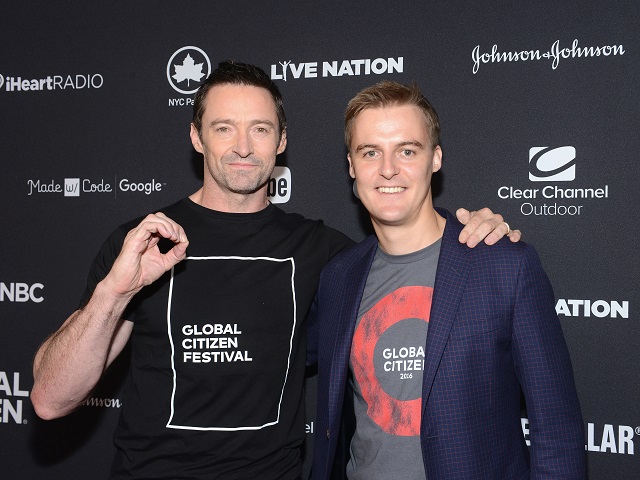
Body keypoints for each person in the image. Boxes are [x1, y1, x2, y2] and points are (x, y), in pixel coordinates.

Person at [30, 62, 518, 480]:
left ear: (281, 141)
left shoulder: (325, 251)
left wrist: (474, 234)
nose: (243, 145)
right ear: (196, 137)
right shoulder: (142, 242)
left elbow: (416, 262)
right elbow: (51, 400)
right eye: (224, 127)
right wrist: (113, 293)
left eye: (260, 128)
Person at [308, 81, 585, 479]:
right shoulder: (339, 277)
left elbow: (556, 429)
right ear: (352, 165)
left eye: (407, 150)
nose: (388, 169)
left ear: (435, 159)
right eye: (370, 152)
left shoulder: (504, 265)